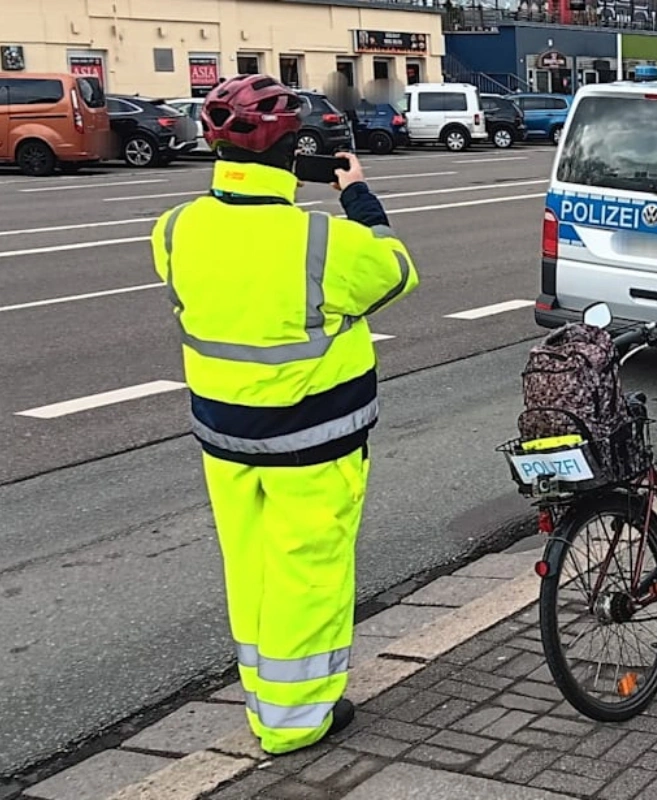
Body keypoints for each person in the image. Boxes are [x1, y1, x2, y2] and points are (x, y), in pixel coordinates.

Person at [149, 74, 418, 755]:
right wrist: (355, 191)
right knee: (309, 573)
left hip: (224, 437)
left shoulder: (176, 229)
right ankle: (295, 720)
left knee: (251, 568)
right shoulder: (322, 241)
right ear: (296, 155)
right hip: (314, 441)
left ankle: (262, 698)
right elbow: (395, 270)